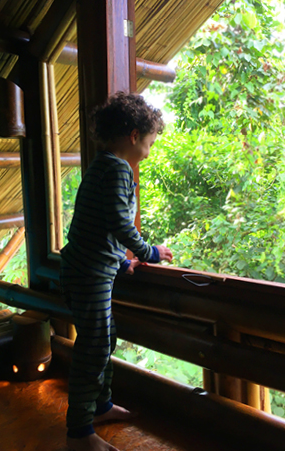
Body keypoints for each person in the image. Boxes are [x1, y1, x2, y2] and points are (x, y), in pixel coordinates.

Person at [59, 92, 173, 451]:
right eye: (151, 143)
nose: (150, 151)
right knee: (93, 348)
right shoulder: (118, 169)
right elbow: (119, 222)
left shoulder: (101, 167)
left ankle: (101, 406)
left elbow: (97, 226)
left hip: (90, 268)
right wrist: (148, 252)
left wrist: (122, 262)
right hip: (90, 274)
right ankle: (78, 433)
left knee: (102, 340)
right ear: (135, 135)